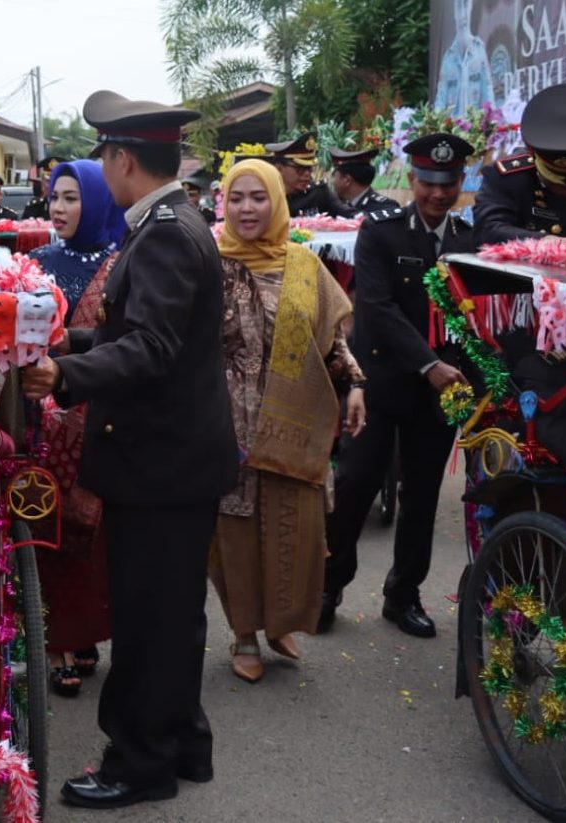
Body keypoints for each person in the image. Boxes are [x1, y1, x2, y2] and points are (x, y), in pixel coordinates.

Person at [23, 90, 237, 810]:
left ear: (119, 159)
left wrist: (63, 374)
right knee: (173, 615)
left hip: (160, 464)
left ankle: (137, 762)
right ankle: (183, 743)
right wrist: (74, 342)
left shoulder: (167, 232)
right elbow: (139, 330)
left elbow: (151, 347)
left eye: (101, 156)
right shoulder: (171, 222)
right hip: (173, 461)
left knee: (148, 621)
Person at [209, 159, 367, 683]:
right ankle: (245, 633)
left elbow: (332, 340)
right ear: (223, 203)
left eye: (258, 197)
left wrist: (355, 385)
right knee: (235, 530)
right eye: (237, 198)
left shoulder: (303, 265)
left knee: (294, 526)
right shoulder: (208, 263)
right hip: (226, 419)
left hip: (294, 415)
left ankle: (279, 621)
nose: (247, 208)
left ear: (276, 201)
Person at [322, 133, 477, 638]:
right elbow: (377, 310)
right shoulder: (382, 232)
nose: (438, 192)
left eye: (448, 182)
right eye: (429, 182)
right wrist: (427, 362)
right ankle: (329, 586)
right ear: (412, 180)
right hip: (380, 384)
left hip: (439, 392)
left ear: (460, 183)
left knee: (423, 496)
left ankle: (403, 594)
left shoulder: (468, 243)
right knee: (355, 485)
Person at [27, 158, 126, 696]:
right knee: (46, 527)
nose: (59, 208)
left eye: (72, 197)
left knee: (95, 536)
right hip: (40, 420)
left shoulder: (122, 264)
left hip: (100, 418)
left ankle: (85, 631)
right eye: (54, 197)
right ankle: (56, 641)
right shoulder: (33, 264)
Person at [474, 83, 566, 244]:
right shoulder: (508, 178)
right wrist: (544, 242)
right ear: (534, 155)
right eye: (553, 179)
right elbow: (487, 230)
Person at [266, 133, 356, 218]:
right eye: (300, 169)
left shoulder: (318, 193)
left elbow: (352, 215)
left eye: (309, 168)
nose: (307, 174)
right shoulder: (264, 196)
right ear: (279, 169)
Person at [434, 0, 494, 118]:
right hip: (453, 129)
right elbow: (440, 99)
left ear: (470, 9)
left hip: (475, 129)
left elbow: (487, 92)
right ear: (454, 13)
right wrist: (435, 124)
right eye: (459, 8)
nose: (463, 15)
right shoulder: (449, 57)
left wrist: (491, 122)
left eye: (466, 7)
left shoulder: (479, 51)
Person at [330, 147, 398, 213]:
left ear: (347, 180)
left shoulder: (385, 209)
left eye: (334, 176)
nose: (333, 182)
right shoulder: (345, 208)